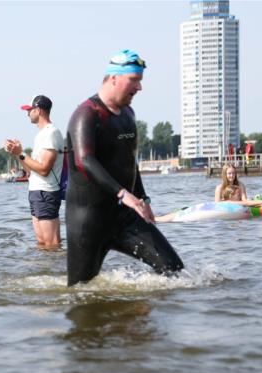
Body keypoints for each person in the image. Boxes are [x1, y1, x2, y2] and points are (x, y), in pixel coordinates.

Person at [63, 49, 183, 286]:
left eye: (140, 81)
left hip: (124, 217)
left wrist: (143, 199)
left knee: (174, 271)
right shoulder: (86, 114)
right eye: (134, 80)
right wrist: (122, 193)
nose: (139, 87)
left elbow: (130, 163)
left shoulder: (128, 114)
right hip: (88, 221)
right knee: (80, 291)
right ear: (113, 78)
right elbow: (84, 161)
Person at [3, 94, 65, 249]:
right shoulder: (41, 135)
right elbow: (30, 171)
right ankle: (47, 266)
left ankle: (59, 265)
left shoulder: (51, 133)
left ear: (39, 110)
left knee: (51, 244)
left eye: (29, 110)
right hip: (36, 192)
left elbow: (44, 169)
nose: (27, 113)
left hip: (46, 192)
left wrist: (21, 153)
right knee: (42, 243)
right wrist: (17, 153)